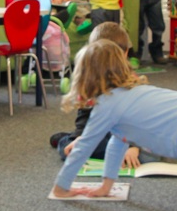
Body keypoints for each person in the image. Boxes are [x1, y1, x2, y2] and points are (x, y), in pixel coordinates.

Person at [50, 38, 177, 211]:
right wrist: (106, 186)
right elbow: (117, 142)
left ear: (85, 76)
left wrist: (61, 187)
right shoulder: (131, 92)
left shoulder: (107, 104)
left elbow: (83, 147)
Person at [48, 21, 135, 162]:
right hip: (96, 134)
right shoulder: (89, 79)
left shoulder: (131, 81)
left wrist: (133, 146)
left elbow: (137, 121)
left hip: (122, 135)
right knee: (68, 149)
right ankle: (69, 138)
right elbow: (84, 116)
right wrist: (81, 137)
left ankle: (70, 138)